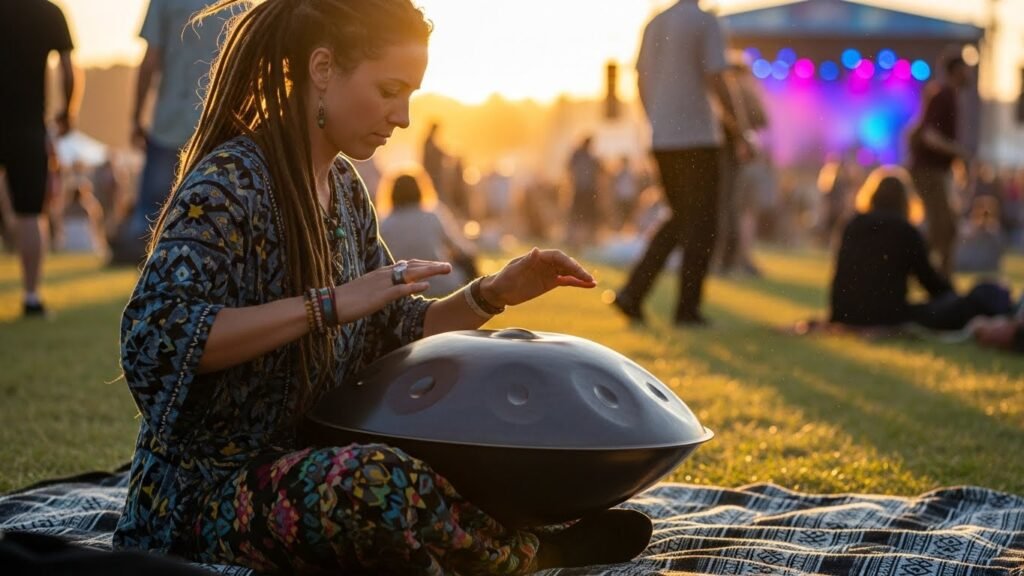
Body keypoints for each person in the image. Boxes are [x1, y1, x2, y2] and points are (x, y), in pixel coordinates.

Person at [114, 1, 653, 574]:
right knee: (378, 482)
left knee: (447, 443)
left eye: (411, 95)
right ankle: (531, 553)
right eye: (390, 90)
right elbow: (157, 338)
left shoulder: (346, 189)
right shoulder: (228, 184)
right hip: (201, 498)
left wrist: (492, 293)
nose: (403, 117)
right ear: (323, 69)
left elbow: (397, 329)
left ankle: (490, 538)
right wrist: (328, 306)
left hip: (305, 461)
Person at [613, 0, 750, 327]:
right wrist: (740, 129)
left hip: (663, 139)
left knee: (680, 218)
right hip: (698, 137)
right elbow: (717, 78)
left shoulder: (654, 24)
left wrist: (655, 120)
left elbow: (640, 81)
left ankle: (633, 293)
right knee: (703, 225)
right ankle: (687, 309)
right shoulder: (705, 22)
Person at [113, 0, 232, 264]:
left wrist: (136, 117)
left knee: (153, 218)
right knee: (216, 214)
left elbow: (150, 61)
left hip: (170, 121)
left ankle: (153, 278)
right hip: (219, 124)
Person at [829, 166, 1007, 330]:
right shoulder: (904, 230)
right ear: (905, 200)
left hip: (844, 314)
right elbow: (929, 281)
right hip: (887, 316)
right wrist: (953, 298)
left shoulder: (851, 225)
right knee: (966, 303)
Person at [0, 0, 76, 316]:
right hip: (28, 127)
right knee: (31, 213)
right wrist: (67, 112)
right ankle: (31, 296)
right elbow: (68, 70)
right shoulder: (49, 12)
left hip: (24, 126)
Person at [908, 54, 973, 277]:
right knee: (941, 227)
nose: (969, 73)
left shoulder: (949, 96)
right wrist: (960, 152)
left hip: (935, 172)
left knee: (947, 228)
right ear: (956, 70)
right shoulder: (943, 96)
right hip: (928, 171)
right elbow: (930, 137)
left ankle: (942, 279)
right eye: (965, 68)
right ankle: (912, 268)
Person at [378, 172, 476, 297]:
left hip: (402, 286)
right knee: (468, 264)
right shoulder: (432, 215)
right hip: (442, 283)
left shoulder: (385, 223)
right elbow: (461, 249)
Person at [566, 135, 603, 248]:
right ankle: (575, 239)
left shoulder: (588, 157)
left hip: (586, 190)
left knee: (584, 215)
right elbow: (570, 168)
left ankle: (584, 239)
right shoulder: (579, 156)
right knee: (579, 214)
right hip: (581, 189)